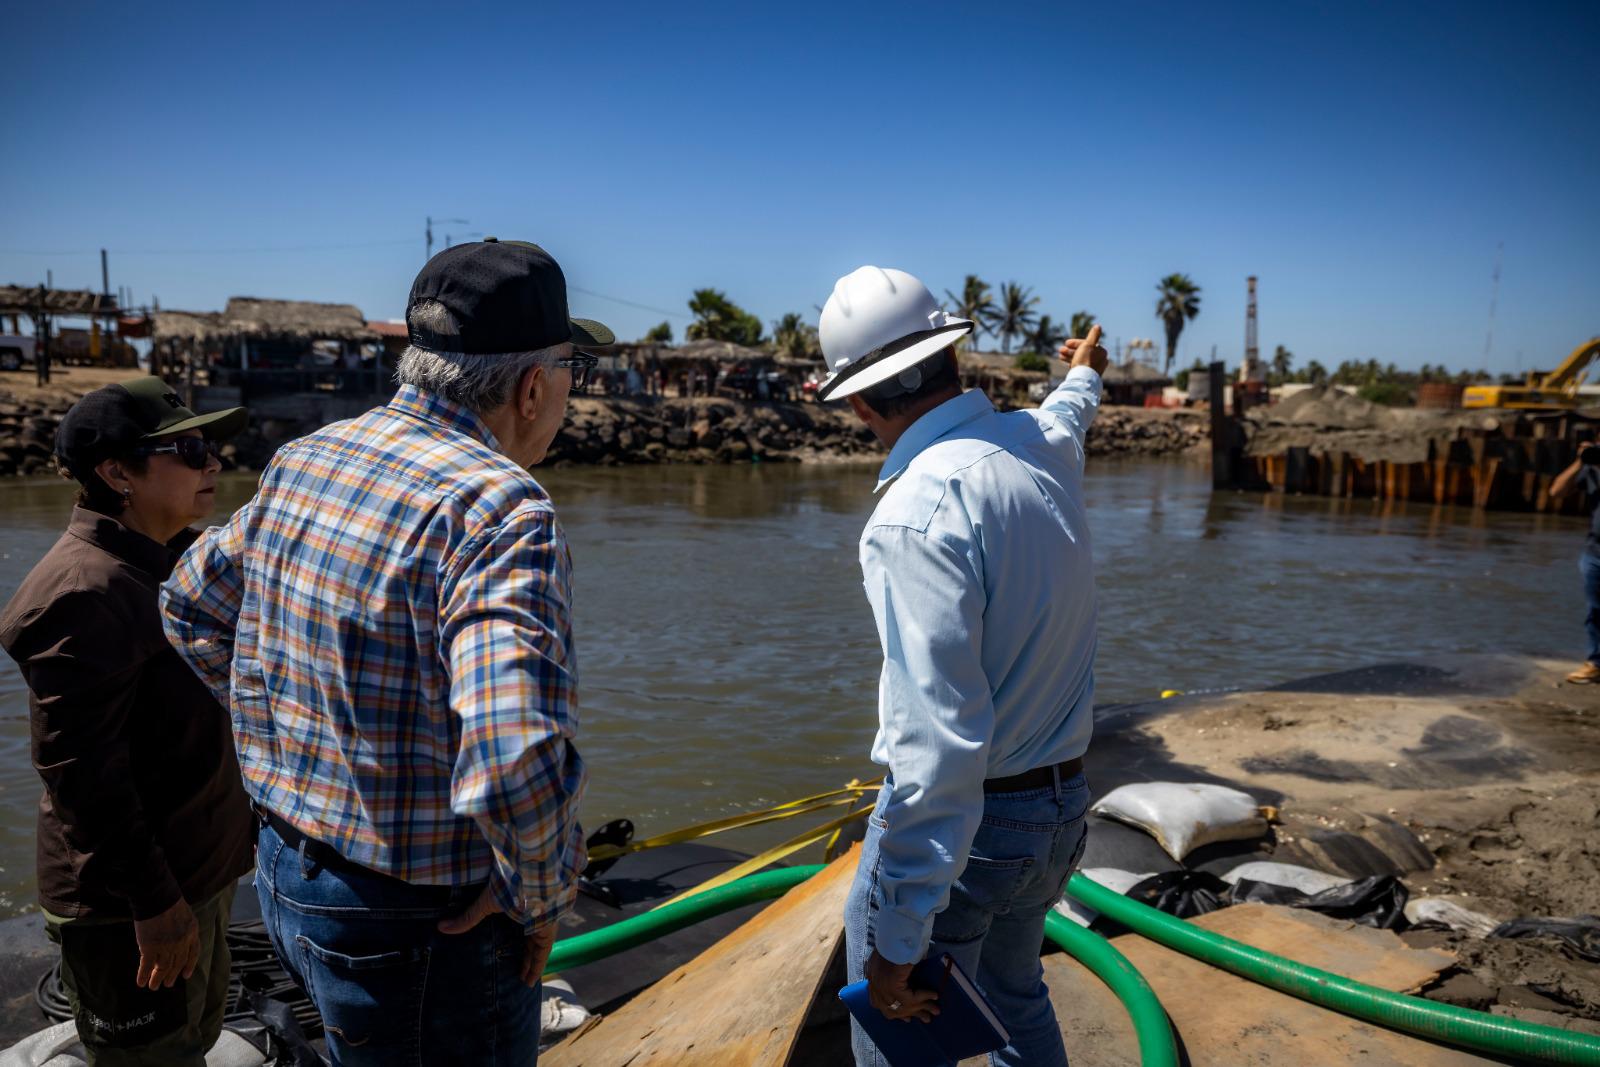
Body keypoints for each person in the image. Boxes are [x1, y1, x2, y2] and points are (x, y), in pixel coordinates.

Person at [160, 239, 609, 1065]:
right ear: (532, 385)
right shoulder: (502, 509)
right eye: (571, 370)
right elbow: (514, 753)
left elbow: (190, 603)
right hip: (423, 923)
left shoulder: (309, 457)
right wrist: (539, 895)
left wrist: (290, 745)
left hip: (287, 871)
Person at [815, 266, 1108, 1067]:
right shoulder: (1039, 446)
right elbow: (1069, 411)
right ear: (953, 359)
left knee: (901, 1035)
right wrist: (1085, 371)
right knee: (1015, 996)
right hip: (1059, 809)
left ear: (859, 402)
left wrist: (895, 938)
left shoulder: (915, 514)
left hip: (980, 828)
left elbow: (938, 745)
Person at [0, 378, 252, 1066]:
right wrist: (154, 903)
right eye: (190, 450)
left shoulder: (172, 557)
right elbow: (82, 778)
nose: (214, 463)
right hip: (134, 902)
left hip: (199, 871)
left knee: (194, 1041)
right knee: (152, 1057)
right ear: (117, 474)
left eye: (212, 448)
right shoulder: (82, 592)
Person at [1549, 441, 1600, 683]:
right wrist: (1580, 461)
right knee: (1595, 610)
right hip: (1595, 550)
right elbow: (1556, 492)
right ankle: (1596, 663)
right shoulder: (1590, 470)